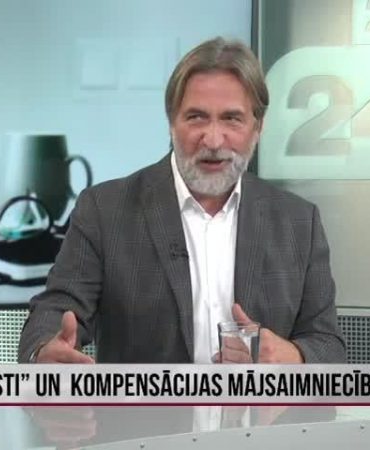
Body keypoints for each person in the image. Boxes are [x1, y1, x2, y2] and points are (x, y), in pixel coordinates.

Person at [18, 37, 346, 364]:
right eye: (196, 117)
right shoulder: (105, 210)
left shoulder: (298, 222)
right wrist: (43, 351)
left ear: (257, 127)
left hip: (258, 402)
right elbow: (55, 310)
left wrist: (295, 356)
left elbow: (328, 345)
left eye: (232, 119)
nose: (213, 140)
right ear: (172, 122)